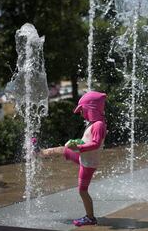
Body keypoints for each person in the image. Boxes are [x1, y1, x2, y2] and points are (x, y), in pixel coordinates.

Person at [40, 91, 107, 227]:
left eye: (82, 110)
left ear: (91, 108)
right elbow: (87, 140)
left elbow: (96, 144)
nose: (81, 114)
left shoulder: (98, 125)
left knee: (82, 191)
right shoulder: (93, 124)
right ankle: (39, 153)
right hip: (84, 157)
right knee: (62, 149)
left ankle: (90, 217)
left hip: (88, 163)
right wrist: (78, 142)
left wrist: (79, 147)